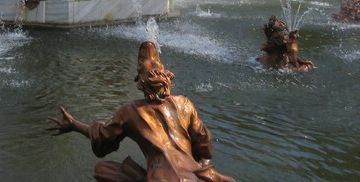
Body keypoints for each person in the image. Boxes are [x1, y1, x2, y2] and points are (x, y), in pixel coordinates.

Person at [47, 41, 236, 182]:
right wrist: (204, 168)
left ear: (140, 83)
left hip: (161, 179)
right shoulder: (184, 103)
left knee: (102, 169)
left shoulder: (130, 111)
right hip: (195, 176)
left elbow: (103, 136)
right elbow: (205, 141)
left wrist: (74, 125)